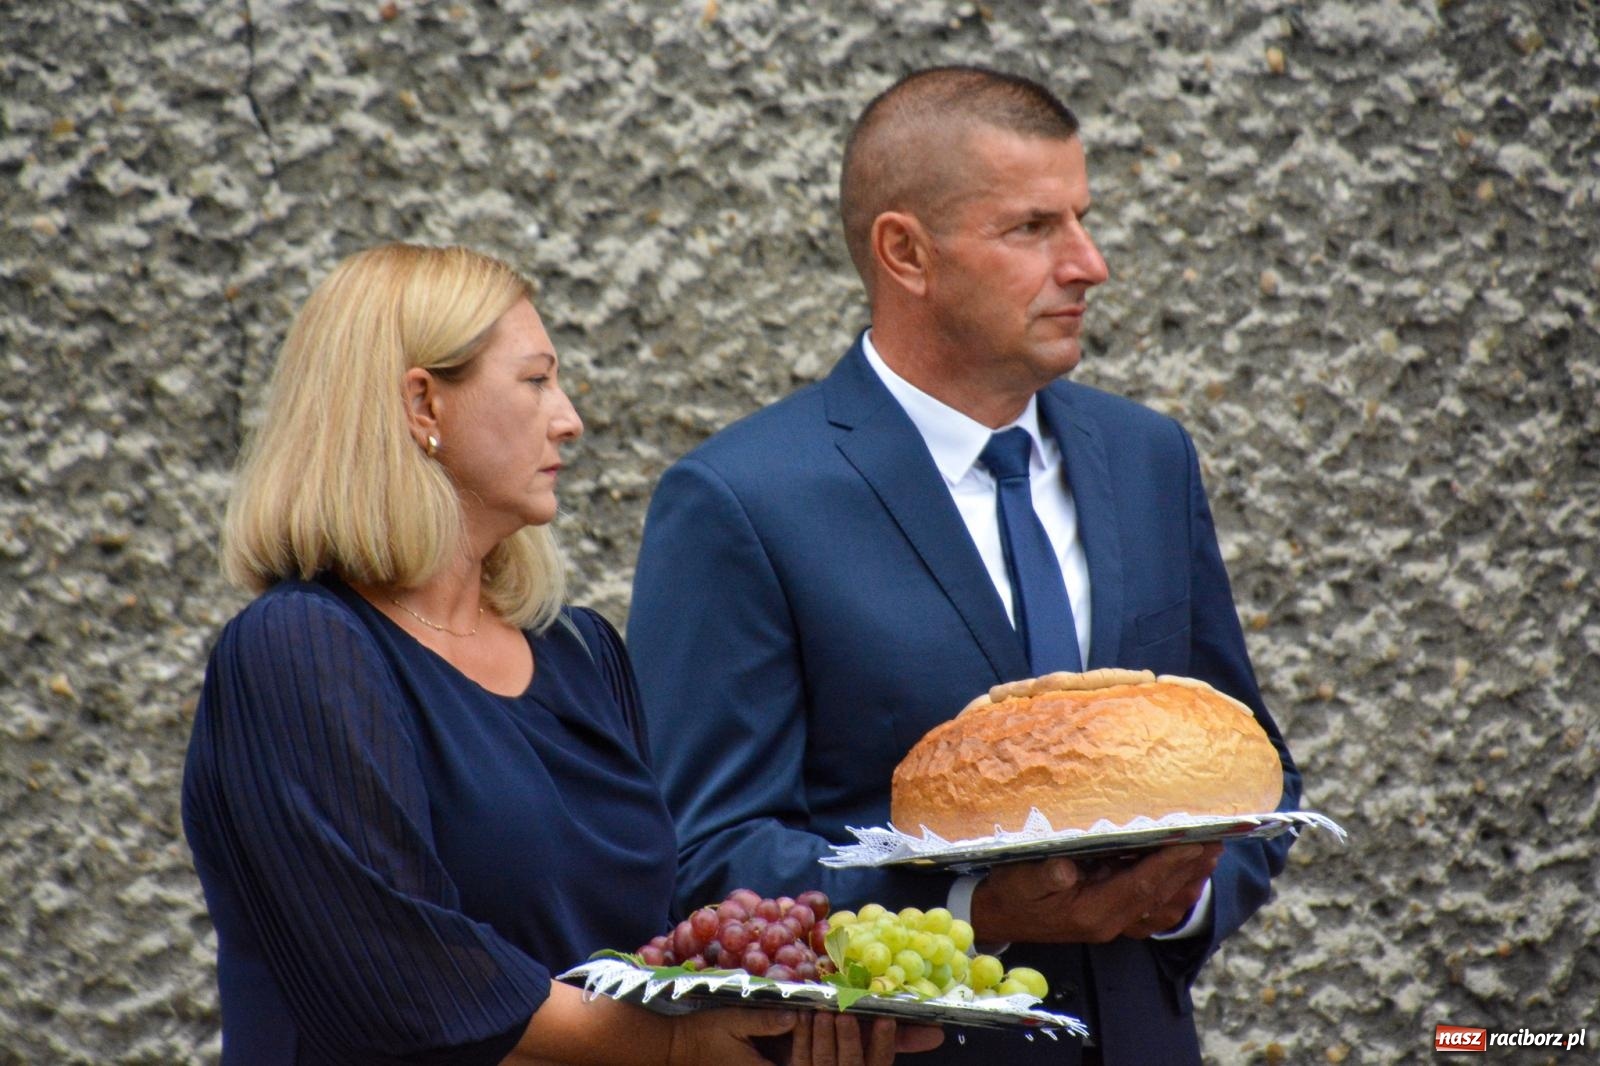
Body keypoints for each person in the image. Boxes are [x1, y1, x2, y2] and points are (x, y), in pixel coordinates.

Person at [627, 67, 1303, 1065]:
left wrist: (1180, 899)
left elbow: (1251, 770)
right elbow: (700, 850)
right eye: (1032, 228)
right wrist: (969, 908)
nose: (1090, 264)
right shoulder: (742, 499)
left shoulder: (1148, 458)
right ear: (905, 252)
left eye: (1082, 219)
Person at [181, 242, 941, 1066]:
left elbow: (647, 947)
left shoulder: (579, 652)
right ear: (423, 404)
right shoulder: (300, 649)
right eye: (536, 380)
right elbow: (395, 974)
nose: (569, 419)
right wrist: (672, 1050)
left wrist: (784, 1022)